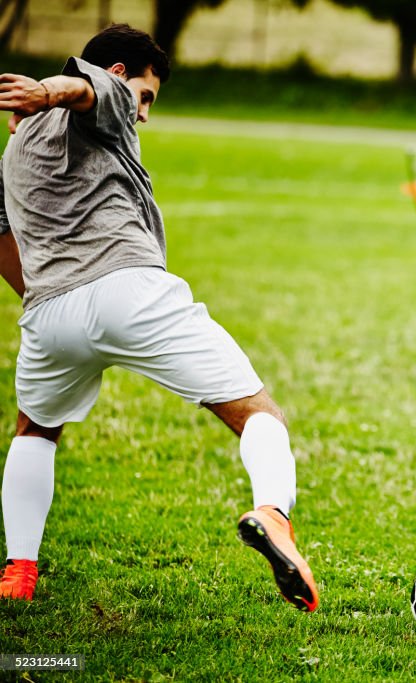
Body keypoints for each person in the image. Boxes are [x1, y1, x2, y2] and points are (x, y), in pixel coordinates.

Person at [0, 24, 318, 610]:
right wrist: (47, 92)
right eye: (147, 96)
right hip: (129, 288)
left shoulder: (12, 151)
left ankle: (19, 569)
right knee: (258, 414)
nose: (143, 113)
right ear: (120, 75)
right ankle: (274, 516)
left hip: (48, 314)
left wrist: (45, 293)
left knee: (35, 431)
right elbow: (85, 90)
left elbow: (1, 238)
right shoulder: (107, 95)